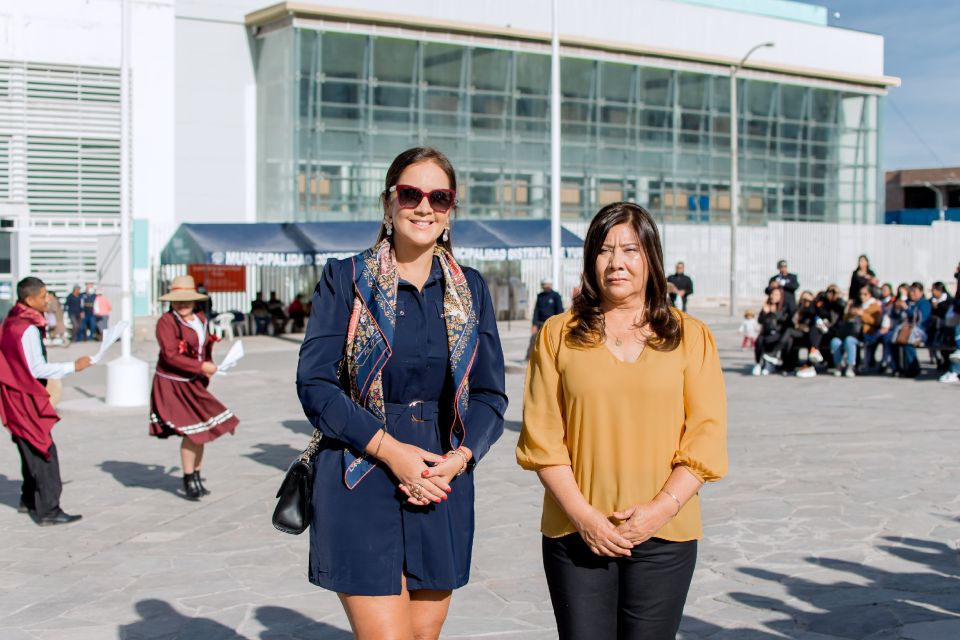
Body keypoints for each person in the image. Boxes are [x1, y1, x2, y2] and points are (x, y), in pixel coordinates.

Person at [296, 146, 507, 640]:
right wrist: (393, 454)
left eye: (440, 197)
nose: (424, 206)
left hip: (441, 480)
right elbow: (316, 385)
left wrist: (458, 459)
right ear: (389, 203)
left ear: (451, 210)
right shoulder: (346, 279)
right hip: (361, 470)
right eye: (410, 193)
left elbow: (490, 395)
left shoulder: (470, 289)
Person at [516, 202, 727, 640]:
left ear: (651, 258)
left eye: (630, 249)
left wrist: (659, 510)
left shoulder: (691, 336)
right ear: (591, 259)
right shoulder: (558, 334)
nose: (616, 262)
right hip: (576, 534)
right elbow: (542, 438)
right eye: (604, 250)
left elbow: (705, 437)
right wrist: (585, 518)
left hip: (665, 535)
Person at [0, 277, 92, 525]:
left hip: (12, 397)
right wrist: (74, 366)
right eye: (43, 296)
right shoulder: (26, 327)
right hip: (23, 397)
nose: (47, 299)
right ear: (29, 300)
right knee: (44, 451)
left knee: (28, 449)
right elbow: (37, 368)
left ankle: (28, 500)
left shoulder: (12, 320)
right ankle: (49, 510)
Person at [149, 275, 239, 500]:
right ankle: (189, 478)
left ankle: (196, 476)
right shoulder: (167, 322)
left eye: (187, 299)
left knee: (202, 430)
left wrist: (208, 364)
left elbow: (203, 346)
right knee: (193, 431)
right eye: (178, 300)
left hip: (194, 381)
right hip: (173, 383)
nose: (183, 304)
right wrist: (201, 366)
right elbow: (170, 356)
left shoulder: (199, 318)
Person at [829, 286, 881, 378]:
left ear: (870, 294)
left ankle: (850, 366)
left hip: (863, 334)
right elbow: (845, 319)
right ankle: (838, 366)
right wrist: (849, 310)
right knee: (835, 341)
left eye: (865, 294)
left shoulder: (875, 306)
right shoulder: (856, 304)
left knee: (849, 341)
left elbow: (876, 322)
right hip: (849, 331)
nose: (862, 296)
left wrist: (862, 314)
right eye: (860, 294)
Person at [753, 286, 791, 375]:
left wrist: (772, 312)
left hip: (778, 332)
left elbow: (784, 320)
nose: (773, 296)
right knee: (759, 341)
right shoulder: (767, 305)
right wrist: (765, 313)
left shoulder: (784, 306)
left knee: (769, 340)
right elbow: (760, 320)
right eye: (772, 294)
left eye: (776, 294)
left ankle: (769, 364)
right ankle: (759, 363)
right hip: (766, 331)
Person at [526, 278, 564, 360]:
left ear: (550, 285)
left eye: (547, 285)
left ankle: (553, 359)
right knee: (533, 340)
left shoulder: (556, 296)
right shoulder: (540, 296)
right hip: (540, 323)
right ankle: (529, 358)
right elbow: (536, 311)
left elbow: (560, 311)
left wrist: (558, 324)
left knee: (552, 342)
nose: (545, 287)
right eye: (544, 285)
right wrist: (534, 324)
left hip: (551, 323)